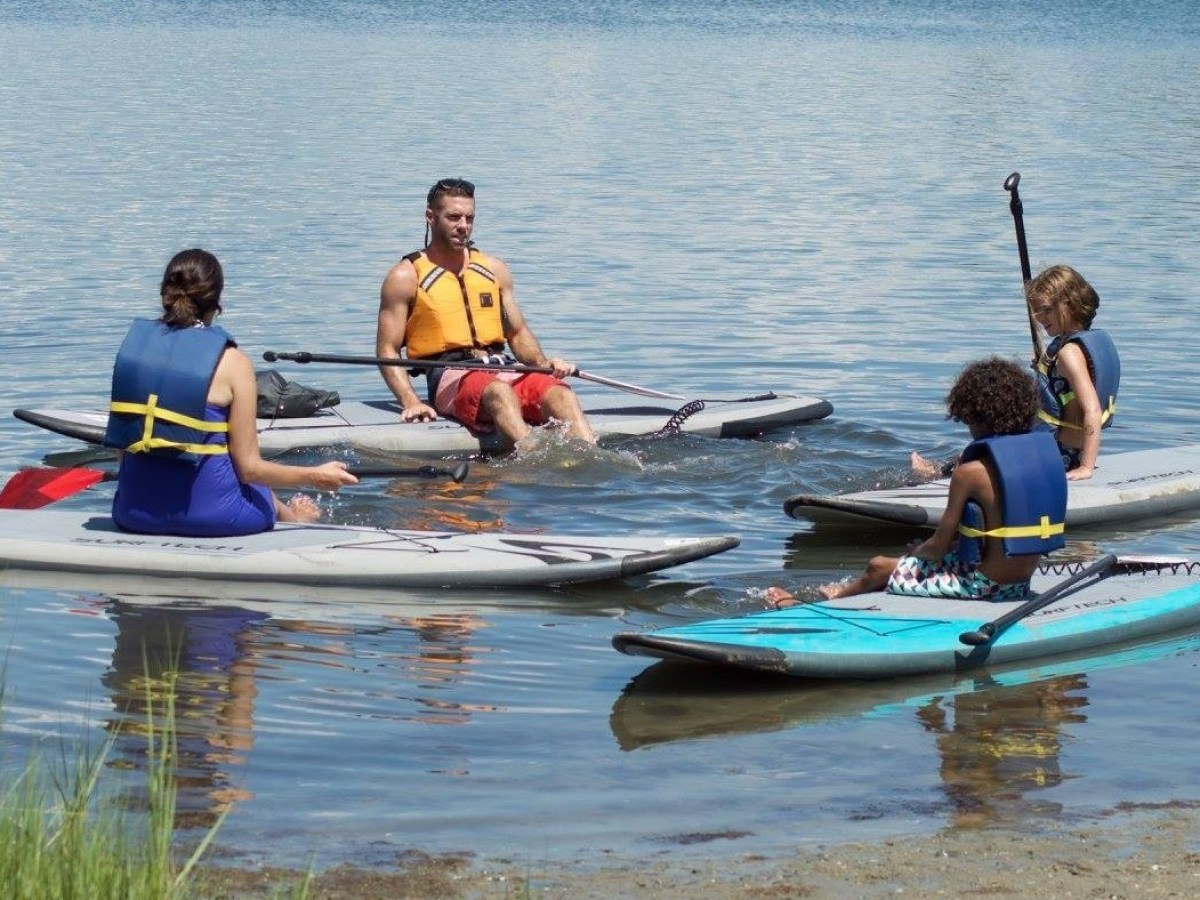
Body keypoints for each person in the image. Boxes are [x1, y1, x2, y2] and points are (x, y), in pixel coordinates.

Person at [769, 357, 1066, 606]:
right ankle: (851, 592)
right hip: (1020, 582)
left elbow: (937, 547)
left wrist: (917, 552)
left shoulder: (970, 473)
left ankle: (815, 607)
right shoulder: (1042, 461)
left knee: (878, 566)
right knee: (907, 563)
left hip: (984, 587)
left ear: (972, 414)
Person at [104, 249, 358, 537]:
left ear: (165, 292)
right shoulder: (233, 362)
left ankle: (292, 515)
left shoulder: (133, 354)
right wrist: (315, 476)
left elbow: (123, 454)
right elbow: (250, 469)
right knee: (256, 485)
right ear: (217, 301)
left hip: (133, 513)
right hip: (212, 517)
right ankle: (296, 518)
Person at [375, 177, 596, 449]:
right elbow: (387, 349)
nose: (463, 226)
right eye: (453, 217)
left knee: (561, 395)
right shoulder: (404, 276)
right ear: (430, 217)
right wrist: (411, 401)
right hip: (449, 375)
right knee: (499, 392)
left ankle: (592, 459)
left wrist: (543, 364)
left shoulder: (494, 269)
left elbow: (517, 333)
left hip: (502, 366)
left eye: (469, 218)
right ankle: (534, 457)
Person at [913, 265, 1119, 482]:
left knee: (991, 443)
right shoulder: (1090, 342)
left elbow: (1092, 409)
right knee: (1000, 435)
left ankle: (939, 474)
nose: (1039, 318)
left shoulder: (1069, 354)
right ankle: (946, 469)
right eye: (1036, 311)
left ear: (1070, 304)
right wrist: (1045, 370)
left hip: (1060, 455)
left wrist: (1086, 466)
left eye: (1046, 309)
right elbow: (1066, 394)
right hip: (1068, 451)